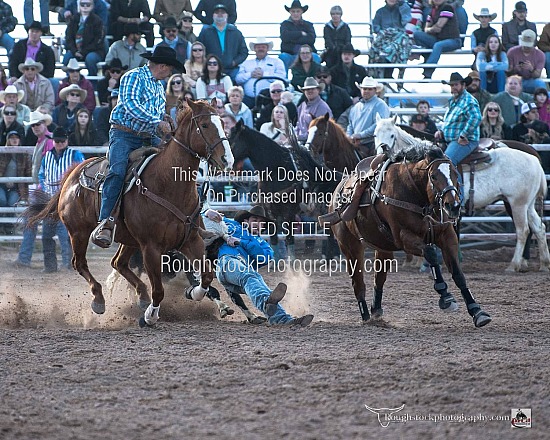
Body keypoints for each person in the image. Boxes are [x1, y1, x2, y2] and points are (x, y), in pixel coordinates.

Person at [91, 46, 184, 248]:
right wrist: (157, 122)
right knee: (117, 171)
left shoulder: (159, 86)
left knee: (169, 169)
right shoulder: (133, 77)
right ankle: (105, 221)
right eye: (171, 68)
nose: (171, 73)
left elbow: (152, 114)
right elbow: (131, 105)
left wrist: (163, 118)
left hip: (148, 136)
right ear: (163, 66)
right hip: (124, 134)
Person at [207, 206, 314, 327]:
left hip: (239, 274)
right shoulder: (231, 224)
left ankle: (282, 319)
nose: (258, 224)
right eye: (255, 220)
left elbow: (264, 257)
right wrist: (207, 212)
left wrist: (241, 242)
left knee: (262, 289)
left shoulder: (262, 244)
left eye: (261, 222)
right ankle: (271, 308)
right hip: (227, 262)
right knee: (251, 276)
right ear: (246, 221)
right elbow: (195, 214)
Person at [39, 126, 85, 272]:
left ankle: (70, 265)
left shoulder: (75, 154)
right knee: (47, 235)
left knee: (67, 235)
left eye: (62, 141)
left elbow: (81, 172)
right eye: (57, 141)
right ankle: (50, 266)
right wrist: (45, 188)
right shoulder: (47, 156)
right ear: (52, 141)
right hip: (52, 199)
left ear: (67, 141)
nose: (59, 143)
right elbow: (41, 174)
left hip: (69, 201)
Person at [12, 110, 54, 268]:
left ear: (44, 124)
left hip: (44, 188)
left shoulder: (47, 141)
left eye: (38, 124)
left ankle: (25, 257)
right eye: (33, 125)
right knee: (40, 223)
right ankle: (28, 257)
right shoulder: (43, 141)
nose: (35, 127)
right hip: (42, 188)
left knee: (32, 221)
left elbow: (49, 166)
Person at [435, 72, 481, 175]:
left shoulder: (468, 100)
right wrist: (441, 131)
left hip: (466, 141)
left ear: (463, 85)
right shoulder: (453, 101)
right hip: (452, 140)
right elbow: (450, 121)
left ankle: (458, 191)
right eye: (452, 85)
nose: (453, 88)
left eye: (456, 85)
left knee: (447, 162)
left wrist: (464, 135)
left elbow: (476, 118)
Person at [197, 4, 248, 81]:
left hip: (232, 71)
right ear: (213, 15)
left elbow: (244, 52)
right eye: (217, 12)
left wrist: (234, 62)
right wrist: (208, 63)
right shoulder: (205, 32)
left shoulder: (236, 32)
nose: (220, 14)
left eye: (223, 12)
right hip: (211, 71)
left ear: (227, 15)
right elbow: (199, 50)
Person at [413, 0, 462, 79]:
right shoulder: (431, 11)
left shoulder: (447, 8)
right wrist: (431, 29)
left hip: (453, 40)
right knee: (417, 35)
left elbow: (438, 27)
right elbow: (427, 29)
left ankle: (428, 71)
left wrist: (430, 29)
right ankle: (428, 59)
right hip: (438, 39)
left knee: (438, 45)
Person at [235, 37, 287, 109]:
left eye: (263, 47)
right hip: (248, 99)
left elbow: (282, 78)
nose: (261, 49)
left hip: (269, 99)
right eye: (258, 47)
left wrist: (264, 74)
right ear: (254, 49)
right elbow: (238, 79)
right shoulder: (246, 63)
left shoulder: (277, 61)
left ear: (267, 48)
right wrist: (250, 74)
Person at [346, 77, 390, 155]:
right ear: (361, 90)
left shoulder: (380, 105)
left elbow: (378, 126)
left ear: (375, 90)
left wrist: (360, 135)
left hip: (372, 144)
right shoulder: (355, 107)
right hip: (356, 143)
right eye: (364, 89)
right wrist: (349, 137)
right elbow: (350, 125)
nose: (366, 91)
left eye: (370, 89)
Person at [62, 0, 105, 78]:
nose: (85, 6)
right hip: (76, 50)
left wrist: (84, 51)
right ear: (79, 5)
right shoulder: (74, 19)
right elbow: (68, 37)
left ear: (92, 6)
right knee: (67, 58)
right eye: (82, 4)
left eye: (88, 4)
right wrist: (74, 51)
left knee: (90, 59)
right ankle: (69, 81)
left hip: (93, 51)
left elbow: (98, 40)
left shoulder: (97, 20)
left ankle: (92, 82)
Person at [371, 0, 412, 79]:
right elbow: (375, 27)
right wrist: (384, 32)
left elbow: (405, 21)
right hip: (384, 37)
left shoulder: (402, 9)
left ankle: (388, 74)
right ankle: (383, 74)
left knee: (397, 45)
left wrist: (402, 5)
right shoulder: (380, 12)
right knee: (383, 47)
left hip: (398, 38)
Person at [0, 132, 31, 228]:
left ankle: (9, 226)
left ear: (19, 140)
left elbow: (28, 173)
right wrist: (5, 180)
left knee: (12, 202)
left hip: (17, 187)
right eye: (11, 138)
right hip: (1, 185)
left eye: (16, 138)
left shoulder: (24, 155)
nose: (14, 140)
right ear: (7, 140)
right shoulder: (2, 153)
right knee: (2, 200)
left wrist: (26, 189)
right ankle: (1, 225)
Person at [279, 1, 320, 72]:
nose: (295, 14)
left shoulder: (308, 24)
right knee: (283, 57)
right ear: (290, 12)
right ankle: (284, 81)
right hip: (290, 54)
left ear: (302, 12)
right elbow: (284, 37)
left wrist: (291, 37)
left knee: (315, 57)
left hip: (307, 54)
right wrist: (300, 33)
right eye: (293, 11)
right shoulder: (284, 24)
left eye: (298, 11)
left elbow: (311, 39)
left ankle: (315, 80)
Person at [506, 29, 546, 94]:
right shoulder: (512, 52)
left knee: (540, 83)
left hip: (530, 81)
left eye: (528, 46)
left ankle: (543, 102)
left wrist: (531, 69)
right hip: (515, 81)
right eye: (524, 45)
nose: (526, 47)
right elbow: (507, 73)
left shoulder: (540, 55)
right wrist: (515, 70)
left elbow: (537, 75)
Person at [296, 77, 333, 143]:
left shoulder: (322, 107)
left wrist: (300, 137)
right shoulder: (301, 106)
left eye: (312, 89)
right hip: (300, 143)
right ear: (304, 92)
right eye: (307, 89)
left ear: (318, 90)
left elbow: (321, 131)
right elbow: (298, 126)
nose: (310, 91)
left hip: (315, 145)